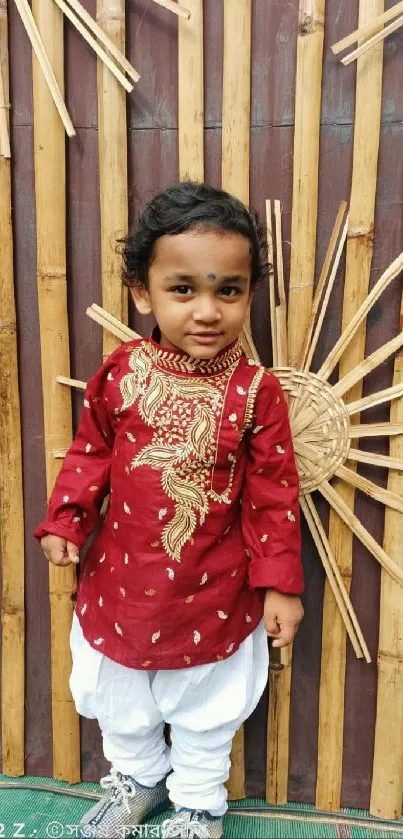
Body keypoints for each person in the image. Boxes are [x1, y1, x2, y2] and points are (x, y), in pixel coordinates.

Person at [35, 182, 304, 839]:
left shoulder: (255, 392)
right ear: (142, 292)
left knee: (206, 709)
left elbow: (273, 490)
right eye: (183, 289)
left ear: (247, 293)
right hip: (120, 585)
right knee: (121, 701)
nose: (207, 310)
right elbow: (91, 451)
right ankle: (137, 780)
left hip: (214, 586)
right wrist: (66, 516)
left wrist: (279, 585)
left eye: (228, 290)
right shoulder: (121, 372)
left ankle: (197, 804)